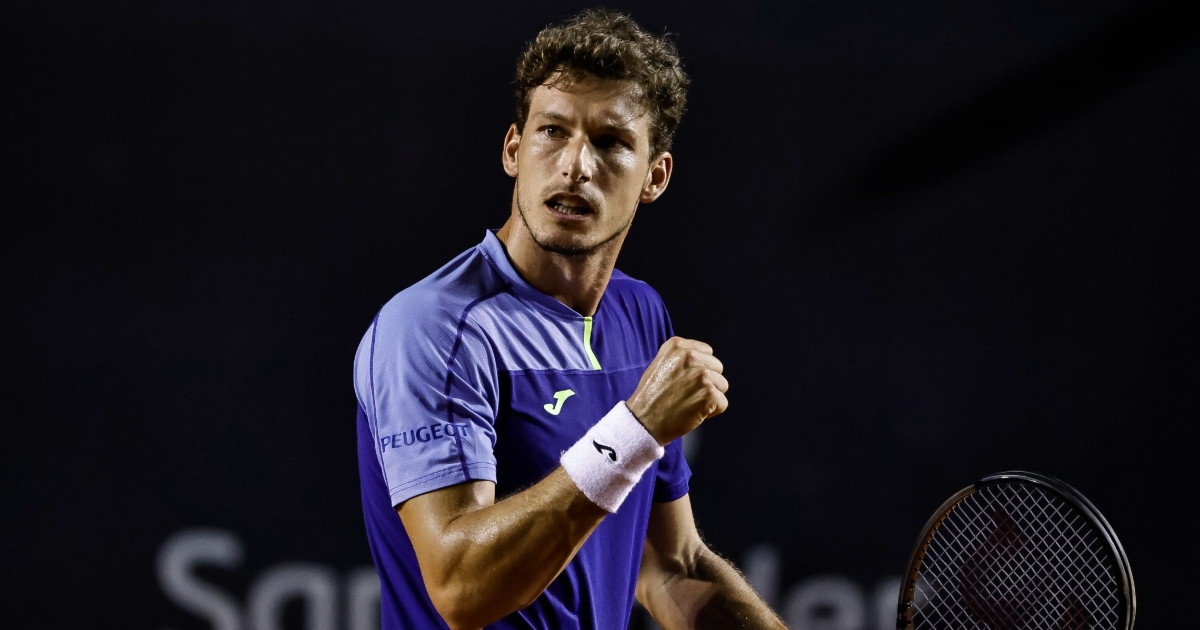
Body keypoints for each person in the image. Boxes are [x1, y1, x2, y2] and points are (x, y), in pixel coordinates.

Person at [353, 9, 785, 629]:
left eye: (610, 142)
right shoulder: (434, 329)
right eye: (553, 131)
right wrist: (635, 430)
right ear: (513, 149)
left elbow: (671, 568)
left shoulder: (640, 314)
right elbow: (461, 587)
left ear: (655, 177)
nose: (575, 165)